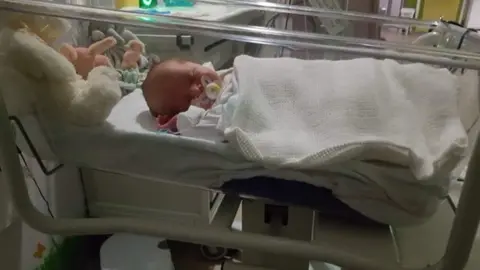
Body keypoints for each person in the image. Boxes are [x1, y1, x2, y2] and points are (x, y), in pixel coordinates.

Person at [141, 58, 222, 131]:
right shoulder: (211, 117)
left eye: (192, 78)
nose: (196, 90)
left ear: (196, 64)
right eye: (189, 99)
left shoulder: (231, 74)